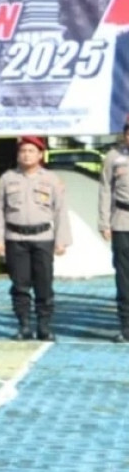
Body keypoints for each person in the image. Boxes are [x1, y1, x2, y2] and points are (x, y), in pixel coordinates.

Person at [0, 136, 70, 341]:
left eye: (31, 151)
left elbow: (60, 211)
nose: (26, 155)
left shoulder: (51, 179)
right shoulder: (7, 178)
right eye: (23, 151)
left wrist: (61, 240)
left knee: (44, 284)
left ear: (40, 154)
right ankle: (24, 325)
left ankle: (44, 326)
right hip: (15, 238)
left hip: (43, 237)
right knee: (19, 285)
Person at [99, 116, 129, 342]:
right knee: (124, 277)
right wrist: (104, 222)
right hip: (122, 220)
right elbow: (105, 190)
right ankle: (126, 326)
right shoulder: (113, 157)